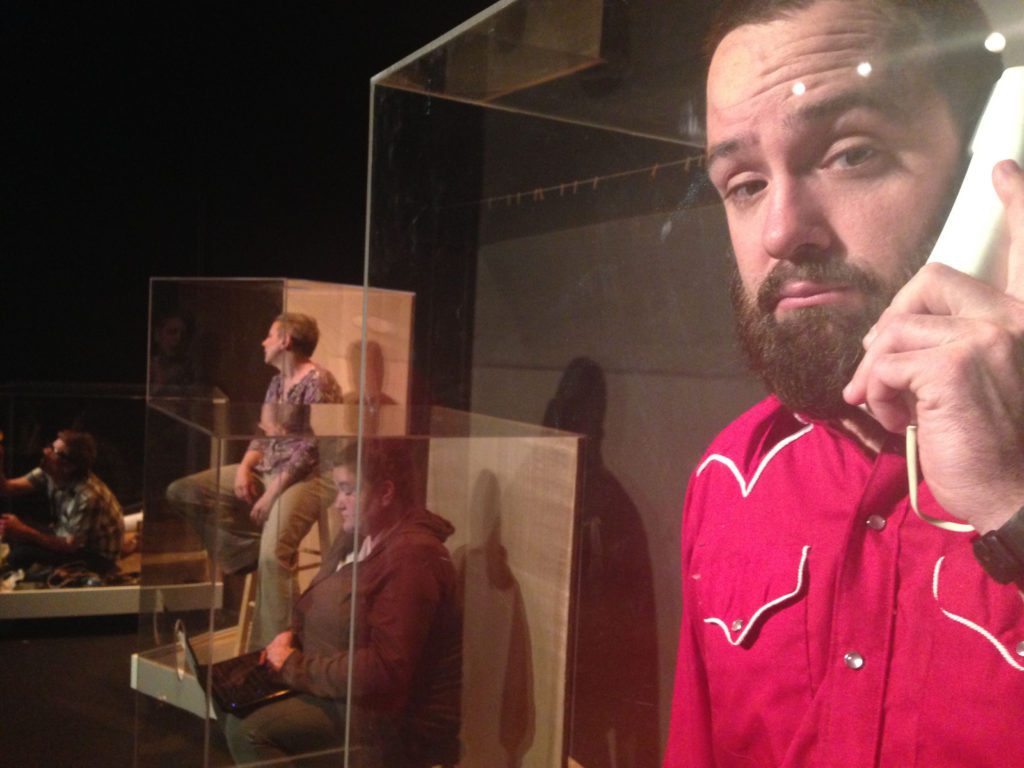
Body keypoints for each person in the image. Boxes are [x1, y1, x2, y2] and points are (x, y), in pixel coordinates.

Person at [665, 1, 1024, 766]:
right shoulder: (729, 477)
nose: (780, 232)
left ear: (983, 173)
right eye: (745, 182)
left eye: (851, 154)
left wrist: (1012, 506)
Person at [224, 440, 462, 768]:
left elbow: (385, 670)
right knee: (233, 699)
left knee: (248, 731)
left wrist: (294, 667)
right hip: (342, 693)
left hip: (390, 724)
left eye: (348, 490)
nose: (338, 503)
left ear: (386, 493)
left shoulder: (413, 558)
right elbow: (316, 601)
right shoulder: (358, 536)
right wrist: (292, 635)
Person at [168, 312, 343, 649]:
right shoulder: (277, 382)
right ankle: (244, 551)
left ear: (286, 340)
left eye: (269, 335)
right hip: (271, 469)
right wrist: (247, 467)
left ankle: (274, 651)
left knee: (272, 554)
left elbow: (310, 450)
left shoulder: (318, 382)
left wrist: (270, 495)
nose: (264, 342)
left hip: (309, 477)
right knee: (184, 491)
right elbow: (263, 435)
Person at [0, 430, 124, 576]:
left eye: (54, 451)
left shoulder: (87, 497)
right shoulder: (51, 472)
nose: (45, 451)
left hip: (96, 556)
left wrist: (24, 532)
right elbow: (8, 488)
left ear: (69, 466)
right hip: (69, 536)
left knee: (22, 553)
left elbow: (69, 546)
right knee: (11, 527)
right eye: (50, 446)